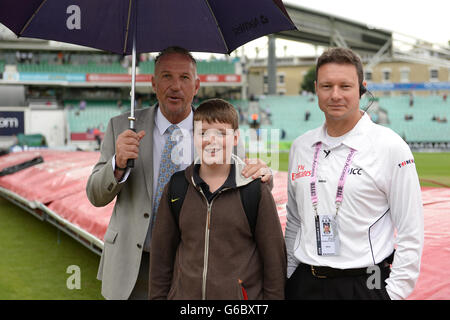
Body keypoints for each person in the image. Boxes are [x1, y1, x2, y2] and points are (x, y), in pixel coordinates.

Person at [86, 47, 271, 300]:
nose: (175, 86)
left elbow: (241, 187)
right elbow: (96, 195)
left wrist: (263, 177)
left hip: (193, 267)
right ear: (153, 83)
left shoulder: (218, 133)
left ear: (196, 85)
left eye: (184, 78)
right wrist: (117, 164)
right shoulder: (121, 127)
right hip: (132, 264)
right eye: (166, 76)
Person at [284, 48, 423, 300]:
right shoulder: (301, 146)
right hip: (305, 283)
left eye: (345, 86)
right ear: (316, 88)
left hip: (365, 284)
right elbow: (295, 221)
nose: (335, 95)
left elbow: (411, 231)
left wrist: (392, 295)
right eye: (327, 86)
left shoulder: (390, 146)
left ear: (361, 88)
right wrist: (288, 275)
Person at [149, 98, 286, 300]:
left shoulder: (255, 190)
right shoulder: (177, 188)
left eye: (221, 133)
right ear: (193, 137)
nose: (211, 141)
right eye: (203, 133)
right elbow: (161, 258)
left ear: (236, 137)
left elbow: (274, 261)